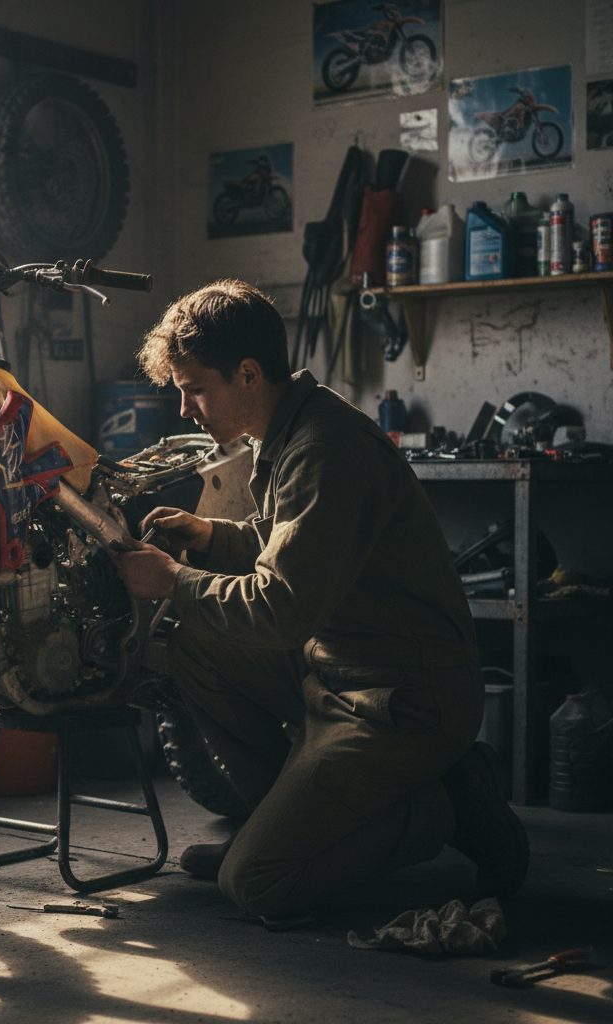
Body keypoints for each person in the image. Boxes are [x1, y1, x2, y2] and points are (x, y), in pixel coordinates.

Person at [111, 278, 529, 921]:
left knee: (258, 886)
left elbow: (280, 608)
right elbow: (287, 541)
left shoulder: (322, 448)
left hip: (400, 700)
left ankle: (445, 804)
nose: (187, 410)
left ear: (247, 373)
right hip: (334, 669)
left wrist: (173, 580)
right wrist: (208, 535)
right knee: (190, 641)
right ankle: (276, 827)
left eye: (195, 390)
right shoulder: (288, 426)